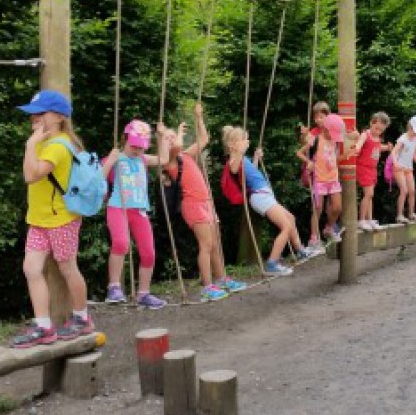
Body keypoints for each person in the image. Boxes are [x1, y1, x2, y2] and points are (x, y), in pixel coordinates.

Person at [11, 90, 95, 347]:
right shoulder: (45, 143)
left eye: (41, 113)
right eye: (32, 114)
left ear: (59, 117)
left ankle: (82, 318)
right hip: (38, 219)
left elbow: (31, 175)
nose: (34, 118)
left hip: (61, 219)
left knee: (68, 268)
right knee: (31, 268)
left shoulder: (58, 146)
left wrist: (29, 145)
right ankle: (44, 326)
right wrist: (34, 144)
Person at [159, 104, 246, 302]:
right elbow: (177, 147)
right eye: (169, 138)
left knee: (215, 244)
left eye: (174, 136)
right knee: (206, 244)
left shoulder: (186, 155)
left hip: (205, 202)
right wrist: (173, 134)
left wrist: (198, 118)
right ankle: (207, 287)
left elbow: (204, 139)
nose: (174, 139)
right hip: (193, 204)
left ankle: (221, 279)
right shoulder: (169, 161)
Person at [224, 126, 321, 276]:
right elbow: (235, 170)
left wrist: (255, 158)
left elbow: (249, 174)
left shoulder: (244, 159)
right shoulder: (233, 161)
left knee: (291, 218)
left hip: (264, 194)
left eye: (247, 139)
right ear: (233, 144)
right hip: (259, 196)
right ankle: (272, 263)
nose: (247, 142)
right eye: (244, 139)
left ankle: (301, 251)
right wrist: (239, 151)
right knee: (286, 226)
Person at [101, 120, 166, 309]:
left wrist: (161, 137)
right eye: (134, 145)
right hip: (117, 207)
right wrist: (111, 161)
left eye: (141, 147)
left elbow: (164, 158)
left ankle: (143, 294)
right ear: (125, 139)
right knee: (121, 243)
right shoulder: (115, 158)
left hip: (139, 209)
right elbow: (97, 179)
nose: (137, 150)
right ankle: (114, 287)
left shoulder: (143, 159)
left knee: (149, 253)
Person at [296, 107, 345, 245]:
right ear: (326, 128)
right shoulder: (316, 139)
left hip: (333, 178)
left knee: (337, 207)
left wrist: (347, 154)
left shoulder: (334, 141)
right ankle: (314, 237)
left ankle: (329, 228)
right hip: (319, 180)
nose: (334, 136)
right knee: (318, 208)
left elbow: (334, 158)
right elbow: (299, 153)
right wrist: (309, 161)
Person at [353, 111, 392, 230]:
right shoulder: (366, 134)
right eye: (376, 128)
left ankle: (369, 219)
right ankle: (362, 220)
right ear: (371, 123)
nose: (378, 131)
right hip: (363, 167)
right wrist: (357, 147)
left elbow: (377, 147)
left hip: (372, 169)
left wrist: (387, 147)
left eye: (381, 130)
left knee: (370, 195)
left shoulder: (377, 138)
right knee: (369, 194)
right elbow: (360, 142)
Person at [391, 116, 416, 223]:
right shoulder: (403, 138)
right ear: (410, 127)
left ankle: (411, 214)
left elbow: (414, 155)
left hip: (409, 168)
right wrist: (396, 163)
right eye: (414, 130)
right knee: (404, 190)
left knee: (412, 191)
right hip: (399, 168)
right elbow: (394, 152)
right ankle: (399, 215)